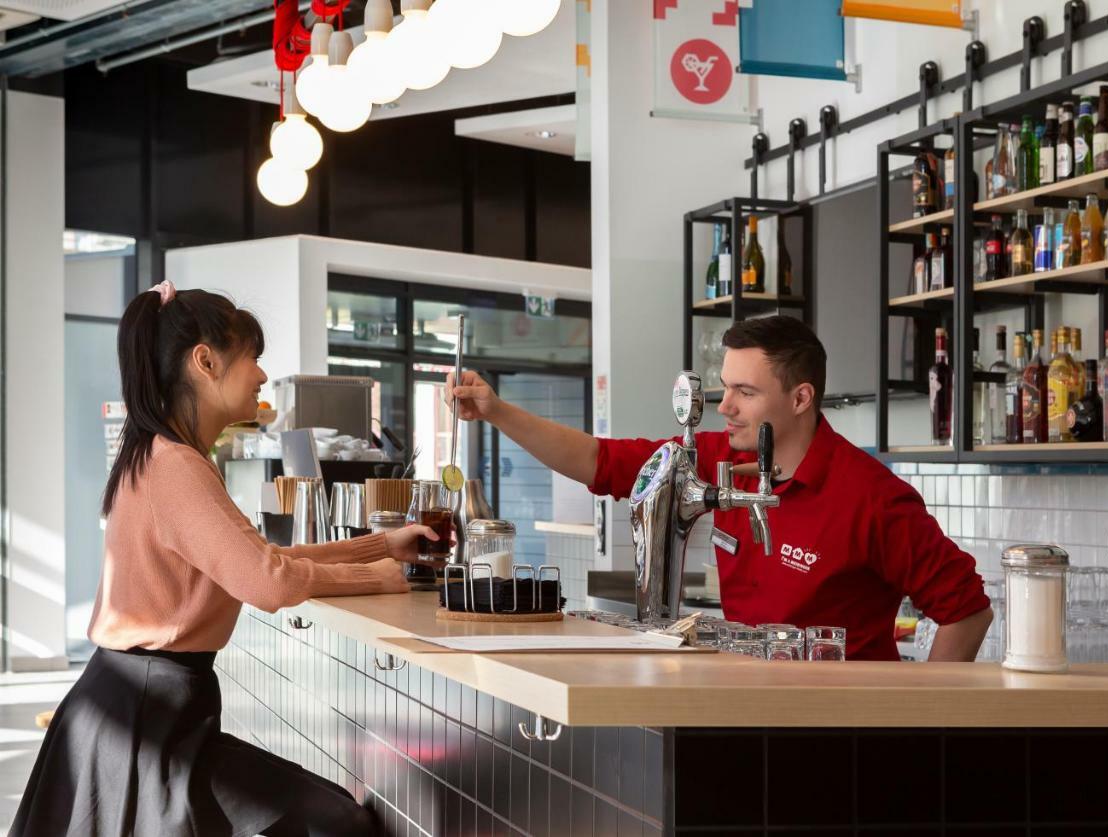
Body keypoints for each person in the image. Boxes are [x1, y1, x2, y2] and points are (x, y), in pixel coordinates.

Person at [12, 281, 431, 836]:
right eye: (253, 358)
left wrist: (381, 545)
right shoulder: (176, 466)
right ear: (205, 362)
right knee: (337, 821)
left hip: (144, 711)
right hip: (142, 720)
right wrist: (380, 579)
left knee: (334, 815)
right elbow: (268, 581)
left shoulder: (165, 456)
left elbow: (259, 558)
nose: (261, 375)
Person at [449, 315, 992, 661]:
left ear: (801, 398)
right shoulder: (716, 459)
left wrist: (912, 723)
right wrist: (497, 411)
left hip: (839, 731)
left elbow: (968, 610)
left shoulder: (870, 496)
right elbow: (600, 461)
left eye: (745, 392)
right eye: (724, 388)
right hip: (749, 707)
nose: (725, 406)